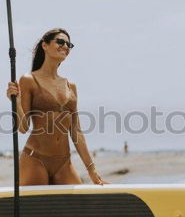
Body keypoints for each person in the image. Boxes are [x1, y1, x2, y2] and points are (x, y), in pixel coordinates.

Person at [6, 28, 108, 186]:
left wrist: (92, 171)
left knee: (76, 208)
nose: (66, 46)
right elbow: (23, 127)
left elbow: (76, 133)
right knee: (38, 210)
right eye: (60, 41)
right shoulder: (29, 80)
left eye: (69, 44)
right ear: (45, 45)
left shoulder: (70, 86)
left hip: (64, 163)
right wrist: (16, 102)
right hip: (35, 158)